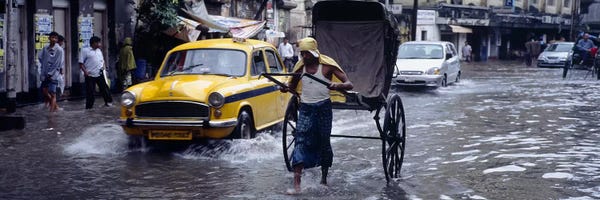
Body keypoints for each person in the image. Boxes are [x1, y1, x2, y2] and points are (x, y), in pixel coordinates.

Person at [280, 37, 353, 194]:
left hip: (323, 108)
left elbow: (349, 84)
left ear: (314, 54)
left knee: (324, 141)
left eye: (307, 54)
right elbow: (292, 86)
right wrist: (286, 88)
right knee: (300, 140)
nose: (304, 57)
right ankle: (297, 185)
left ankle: (324, 179)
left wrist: (337, 85)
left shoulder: (327, 66)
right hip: (305, 108)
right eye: (302, 54)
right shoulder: (300, 68)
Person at [79, 36, 113, 109]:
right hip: (90, 75)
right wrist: (85, 72)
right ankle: (89, 107)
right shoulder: (85, 51)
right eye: (98, 42)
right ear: (94, 43)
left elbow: (102, 61)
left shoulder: (99, 51)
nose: (100, 44)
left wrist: (104, 69)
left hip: (100, 73)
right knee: (90, 92)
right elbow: (81, 63)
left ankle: (108, 102)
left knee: (104, 88)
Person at [38, 31, 64, 112]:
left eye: (55, 38)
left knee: (53, 93)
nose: (54, 39)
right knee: (44, 91)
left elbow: (57, 63)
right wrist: (44, 67)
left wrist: (51, 73)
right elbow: (40, 57)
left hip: (53, 75)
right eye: (52, 37)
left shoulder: (59, 50)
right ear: (49, 38)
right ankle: (55, 107)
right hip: (45, 73)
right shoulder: (45, 48)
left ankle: (51, 113)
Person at [56, 34, 66, 100]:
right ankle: (60, 94)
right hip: (57, 69)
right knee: (60, 82)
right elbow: (60, 61)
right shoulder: (60, 49)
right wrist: (61, 70)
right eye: (62, 42)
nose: (63, 43)